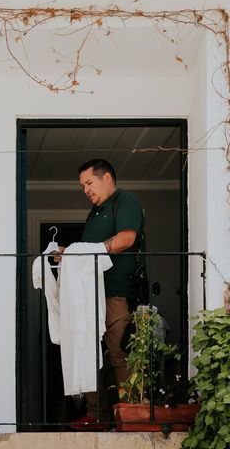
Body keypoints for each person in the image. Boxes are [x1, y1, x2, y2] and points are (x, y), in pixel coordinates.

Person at [69, 159, 145, 430]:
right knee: (88, 354)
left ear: (107, 178)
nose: (85, 190)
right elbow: (90, 250)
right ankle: (96, 415)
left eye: (89, 183)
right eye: (82, 186)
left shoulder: (125, 201)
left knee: (119, 353)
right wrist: (67, 253)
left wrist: (86, 251)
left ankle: (130, 413)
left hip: (117, 294)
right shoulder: (95, 212)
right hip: (90, 296)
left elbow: (126, 239)